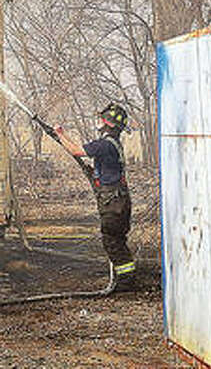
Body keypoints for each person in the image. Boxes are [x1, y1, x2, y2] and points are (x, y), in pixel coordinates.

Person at [55, 103, 135, 289]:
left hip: (113, 205)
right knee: (117, 240)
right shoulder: (112, 144)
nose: (98, 122)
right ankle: (124, 277)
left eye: (102, 119)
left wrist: (59, 134)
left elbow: (76, 150)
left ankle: (126, 281)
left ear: (110, 124)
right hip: (119, 202)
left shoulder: (104, 145)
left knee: (111, 240)